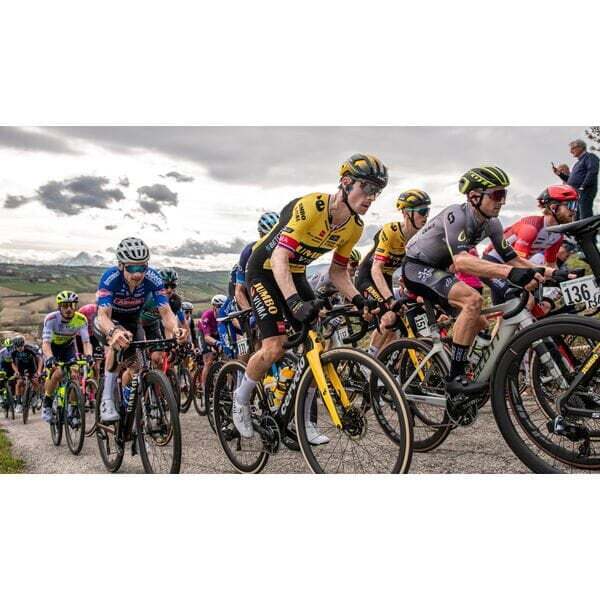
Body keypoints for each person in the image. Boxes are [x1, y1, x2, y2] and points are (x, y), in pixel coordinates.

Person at [233, 153, 387, 439]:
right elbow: (279, 257)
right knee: (274, 347)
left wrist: (359, 300)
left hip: (295, 272)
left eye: (376, 192)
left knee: (316, 346)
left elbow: (337, 272)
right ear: (346, 182)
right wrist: (294, 303)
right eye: (366, 188)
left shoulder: (354, 227)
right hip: (265, 270)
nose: (371, 197)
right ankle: (240, 400)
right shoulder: (312, 207)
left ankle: (304, 421)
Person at [403, 166, 549, 405]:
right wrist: (510, 273)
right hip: (416, 267)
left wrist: (550, 273)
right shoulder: (456, 215)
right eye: (497, 195)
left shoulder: (492, 223)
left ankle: (463, 363)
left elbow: (513, 258)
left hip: (440, 270)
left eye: (504, 195)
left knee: (480, 323)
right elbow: (462, 261)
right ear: (474, 196)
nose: (501, 201)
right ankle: (455, 377)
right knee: (473, 300)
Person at [94, 238, 186, 422]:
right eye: (132, 268)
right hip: (109, 320)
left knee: (137, 367)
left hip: (133, 321)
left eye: (142, 267)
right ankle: (107, 399)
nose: (137, 274)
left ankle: (129, 400)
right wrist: (113, 332)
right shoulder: (110, 278)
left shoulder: (153, 278)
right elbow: (103, 315)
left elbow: (166, 312)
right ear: (121, 265)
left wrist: (176, 329)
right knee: (116, 345)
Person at [356, 189, 431, 356]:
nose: (426, 216)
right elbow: (376, 268)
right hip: (368, 277)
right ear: (406, 213)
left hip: (387, 278)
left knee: (396, 327)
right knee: (389, 317)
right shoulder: (391, 231)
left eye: (428, 210)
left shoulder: (419, 239)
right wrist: (390, 300)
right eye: (422, 211)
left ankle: (382, 361)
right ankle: (369, 362)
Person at [482, 184, 578, 306]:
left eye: (576, 205)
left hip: (512, 265)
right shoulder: (531, 228)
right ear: (554, 207)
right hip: (492, 263)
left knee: (504, 312)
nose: (574, 210)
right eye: (570, 205)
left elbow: (551, 264)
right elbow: (518, 262)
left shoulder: (557, 235)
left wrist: (563, 281)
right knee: (525, 301)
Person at [41, 291, 94, 422]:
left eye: (72, 305)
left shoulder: (81, 319)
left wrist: (89, 356)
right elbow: (46, 343)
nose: (69, 309)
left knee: (75, 375)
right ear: (59, 307)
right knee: (56, 373)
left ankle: (73, 409)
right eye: (65, 306)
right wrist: (50, 358)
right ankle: (47, 402)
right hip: (52, 347)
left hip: (68, 347)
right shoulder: (51, 319)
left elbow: (86, 342)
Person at [234, 211, 280, 310]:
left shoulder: (286, 250)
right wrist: (249, 312)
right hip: (251, 293)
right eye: (266, 236)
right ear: (260, 234)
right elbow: (239, 290)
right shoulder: (249, 251)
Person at [553, 138, 599, 220]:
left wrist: (583, 186)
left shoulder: (590, 157)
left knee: (584, 215)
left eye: (572, 148)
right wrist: (559, 174)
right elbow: (570, 180)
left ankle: (588, 228)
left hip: (585, 191)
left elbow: (592, 171)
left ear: (581, 147)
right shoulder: (577, 164)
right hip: (576, 194)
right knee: (576, 217)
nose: (571, 151)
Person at [197, 294, 227, 391]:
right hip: (204, 335)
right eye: (219, 307)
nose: (222, 309)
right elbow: (207, 338)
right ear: (214, 307)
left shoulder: (225, 316)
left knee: (226, 357)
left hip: (216, 335)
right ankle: (204, 388)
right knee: (209, 361)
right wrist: (217, 343)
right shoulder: (207, 316)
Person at [10, 335, 43, 413]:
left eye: (21, 346)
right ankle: (18, 404)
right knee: (19, 383)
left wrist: (39, 371)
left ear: (23, 344)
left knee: (35, 381)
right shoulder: (13, 351)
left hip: (31, 366)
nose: (19, 348)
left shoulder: (30, 349)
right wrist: (16, 371)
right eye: (17, 347)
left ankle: (38, 397)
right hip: (21, 367)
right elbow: (12, 363)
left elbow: (40, 359)